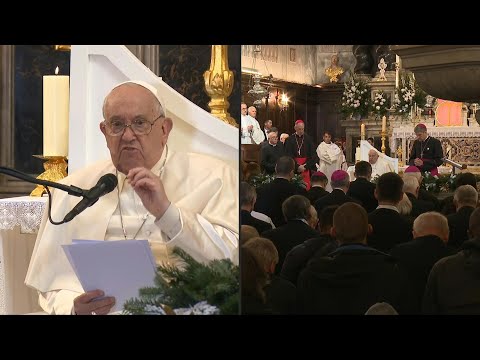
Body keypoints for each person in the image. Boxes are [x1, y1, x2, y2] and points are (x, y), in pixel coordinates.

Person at [25, 80, 239, 315]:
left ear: (165, 130)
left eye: (140, 123)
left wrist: (167, 212)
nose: (127, 136)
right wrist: (74, 309)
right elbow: (55, 280)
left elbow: (231, 262)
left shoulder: (214, 176)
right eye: (116, 124)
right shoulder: (75, 188)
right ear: (104, 132)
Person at [284, 120, 317, 190]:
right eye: (299, 129)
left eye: (302, 129)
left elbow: (314, 156)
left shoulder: (309, 139)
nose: (301, 131)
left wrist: (305, 166)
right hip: (294, 168)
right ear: (295, 128)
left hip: (306, 167)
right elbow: (288, 155)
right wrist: (297, 166)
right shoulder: (289, 140)